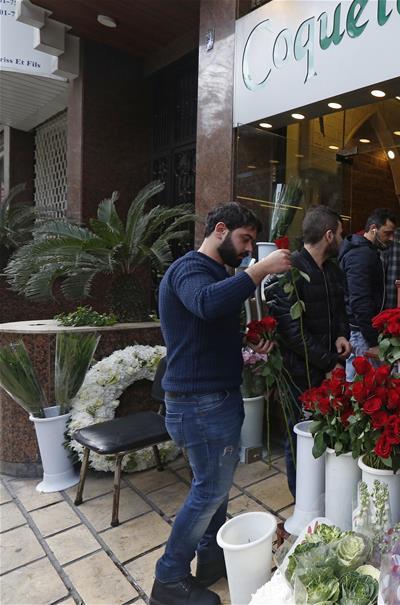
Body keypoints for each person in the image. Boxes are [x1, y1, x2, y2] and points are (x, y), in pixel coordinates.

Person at [152, 203, 292, 605]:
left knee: (215, 487)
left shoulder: (217, 274)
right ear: (219, 230)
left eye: (252, 243)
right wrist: (261, 269)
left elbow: (204, 326)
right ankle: (169, 578)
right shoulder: (189, 269)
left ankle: (211, 559)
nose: (249, 250)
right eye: (244, 240)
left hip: (211, 399)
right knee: (209, 491)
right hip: (199, 404)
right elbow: (206, 304)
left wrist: (246, 340)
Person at [267, 205, 351, 496]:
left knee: (326, 435)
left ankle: (321, 494)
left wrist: (341, 334)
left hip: (326, 370)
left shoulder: (332, 269)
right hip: (299, 374)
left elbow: (340, 309)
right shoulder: (288, 271)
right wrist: (329, 364)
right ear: (329, 235)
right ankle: (302, 500)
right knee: (300, 439)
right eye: (341, 233)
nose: (343, 238)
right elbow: (292, 332)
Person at [339, 208, 396, 380]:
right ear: (373, 229)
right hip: (361, 332)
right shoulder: (361, 255)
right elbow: (360, 301)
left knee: (359, 383)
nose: (391, 238)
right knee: (363, 384)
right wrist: (373, 340)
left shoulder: (363, 252)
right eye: (387, 233)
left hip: (360, 330)